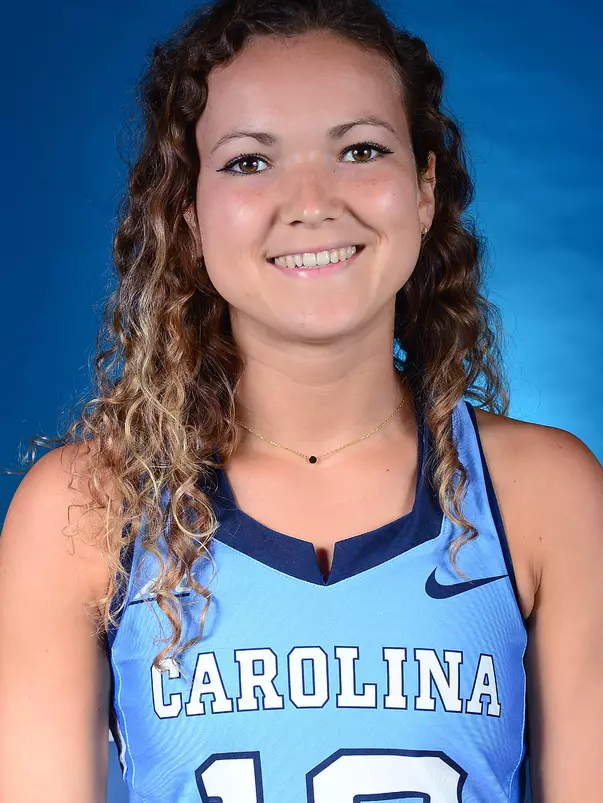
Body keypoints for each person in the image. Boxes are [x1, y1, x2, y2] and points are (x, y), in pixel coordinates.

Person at [1, 0, 602, 800]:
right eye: (250, 161)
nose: (312, 200)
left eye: (359, 149)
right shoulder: (88, 509)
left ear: (423, 189)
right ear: (189, 215)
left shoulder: (545, 495)